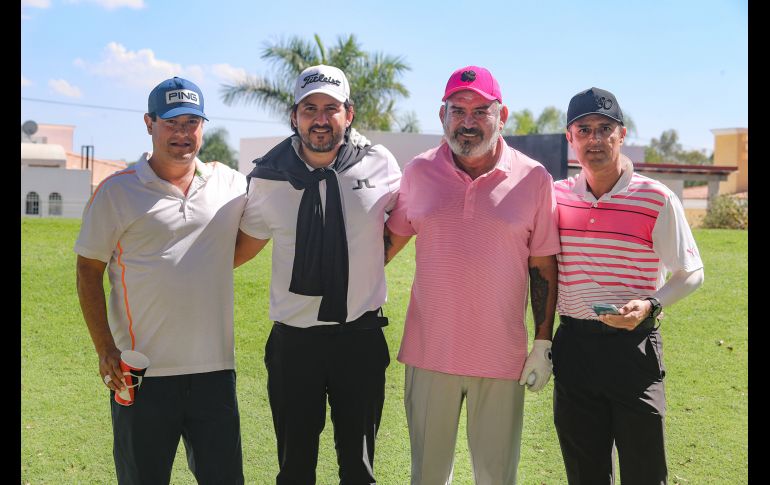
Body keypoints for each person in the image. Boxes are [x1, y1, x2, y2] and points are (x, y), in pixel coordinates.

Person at [384, 65, 561, 485]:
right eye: (458, 109)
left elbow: (543, 266)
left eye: (481, 110)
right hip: (430, 355)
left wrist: (542, 343)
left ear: (503, 115)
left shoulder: (534, 179)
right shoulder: (418, 172)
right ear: (441, 114)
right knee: (426, 476)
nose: (468, 121)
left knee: (496, 477)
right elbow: (385, 248)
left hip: (500, 358)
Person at [234, 64, 402, 484]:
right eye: (310, 108)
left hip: (359, 339)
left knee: (359, 469)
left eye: (331, 108)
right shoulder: (268, 178)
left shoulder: (380, 165)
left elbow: (404, 225)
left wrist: (360, 265)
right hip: (295, 344)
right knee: (294, 468)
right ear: (295, 116)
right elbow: (241, 248)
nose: (320, 119)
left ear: (349, 112)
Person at [74, 77, 246, 484]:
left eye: (192, 122)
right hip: (141, 373)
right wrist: (105, 349)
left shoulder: (231, 183)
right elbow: (87, 271)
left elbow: (254, 234)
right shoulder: (117, 191)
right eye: (171, 122)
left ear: (203, 126)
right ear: (149, 123)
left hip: (214, 372)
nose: (182, 133)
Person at [551, 87, 705, 484]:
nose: (594, 139)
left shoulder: (656, 198)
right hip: (575, 347)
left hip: (633, 350)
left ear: (622, 136)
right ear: (570, 139)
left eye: (605, 129)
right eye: (583, 130)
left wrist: (652, 303)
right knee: (585, 474)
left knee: (644, 471)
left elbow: (691, 272)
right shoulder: (555, 197)